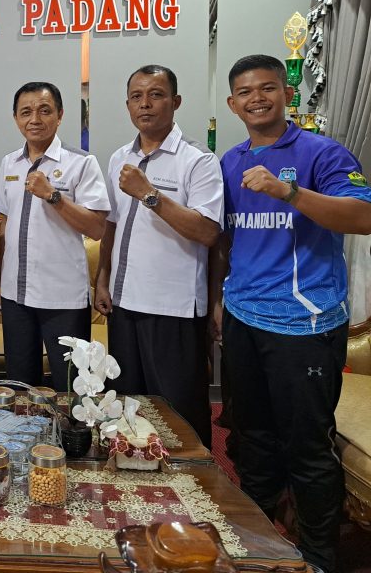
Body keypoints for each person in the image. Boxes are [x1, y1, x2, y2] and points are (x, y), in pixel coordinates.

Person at [211, 54, 371, 573]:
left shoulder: (322, 152)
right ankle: (257, 543)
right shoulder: (229, 162)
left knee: (306, 448)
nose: (256, 98)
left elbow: (363, 216)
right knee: (250, 439)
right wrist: (220, 298)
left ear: (286, 94)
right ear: (232, 104)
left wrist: (290, 191)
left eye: (267, 88)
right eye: (245, 92)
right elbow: (226, 239)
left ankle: (318, 556)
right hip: (242, 319)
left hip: (305, 325)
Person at [94, 66, 222, 447]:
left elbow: (208, 231)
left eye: (156, 95)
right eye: (136, 96)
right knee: (128, 410)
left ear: (175, 101)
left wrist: (149, 194)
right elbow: (111, 225)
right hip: (124, 305)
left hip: (173, 308)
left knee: (179, 416)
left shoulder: (198, 160)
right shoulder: (120, 157)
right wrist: (102, 277)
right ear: (127, 105)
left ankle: (193, 478)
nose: (145, 104)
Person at [0, 82, 109, 390]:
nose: (35, 119)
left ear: (60, 115)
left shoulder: (81, 162)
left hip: (62, 297)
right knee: (20, 384)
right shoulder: (9, 163)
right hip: (16, 295)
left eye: (44, 111)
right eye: (25, 112)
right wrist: (0, 280)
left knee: (72, 385)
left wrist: (53, 196)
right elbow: (5, 225)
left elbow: (97, 228)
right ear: (15, 118)